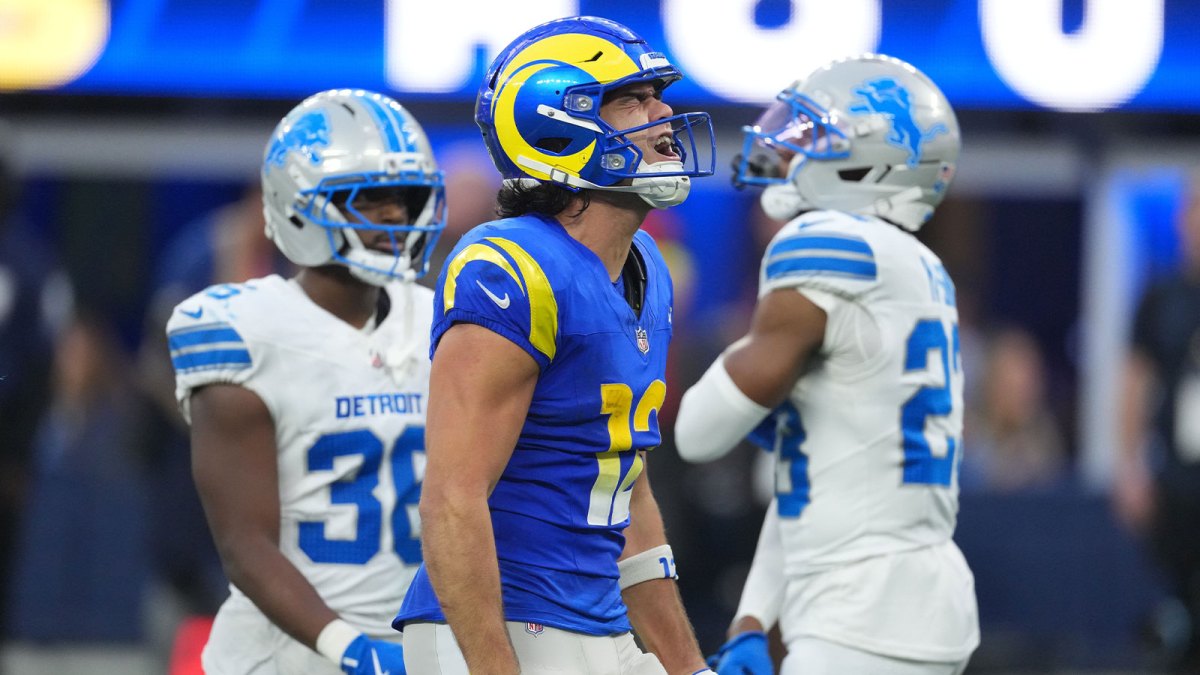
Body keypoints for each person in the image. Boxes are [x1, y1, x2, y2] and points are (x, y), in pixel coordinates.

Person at [395, 15, 718, 674]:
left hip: (594, 617)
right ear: (556, 124)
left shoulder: (648, 265)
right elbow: (452, 497)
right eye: (632, 100)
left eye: (657, 96)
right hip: (509, 623)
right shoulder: (510, 266)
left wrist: (689, 665)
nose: (663, 115)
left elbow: (626, 489)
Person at [674, 54, 980, 674]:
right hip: (909, 599)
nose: (788, 146)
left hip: (860, 615)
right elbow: (814, 476)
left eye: (815, 135)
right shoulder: (918, 266)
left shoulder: (828, 243)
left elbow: (696, 433)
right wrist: (753, 617)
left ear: (869, 160)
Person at [166, 88, 446, 675]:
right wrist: (352, 649)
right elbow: (244, 544)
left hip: (418, 644)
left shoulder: (442, 319)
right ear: (298, 205)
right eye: (369, 198)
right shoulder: (244, 331)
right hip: (286, 658)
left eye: (404, 196)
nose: (395, 215)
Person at [1116, 173, 1200, 672]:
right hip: (1177, 477)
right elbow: (1135, 381)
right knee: (1178, 599)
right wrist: (1129, 466)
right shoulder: (1162, 296)